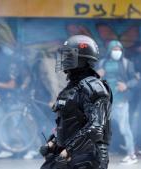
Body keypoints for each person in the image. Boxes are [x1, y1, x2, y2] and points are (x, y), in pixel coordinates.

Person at [40, 35, 112, 169]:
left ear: (81, 58)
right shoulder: (72, 87)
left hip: (87, 156)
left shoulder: (94, 87)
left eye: (69, 55)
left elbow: (96, 127)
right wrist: (53, 142)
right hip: (68, 153)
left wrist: (69, 150)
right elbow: (68, 123)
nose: (64, 59)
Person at [97, 40, 138, 164]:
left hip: (121, 100)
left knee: (124, 128)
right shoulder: (102, 63)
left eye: (119, 49)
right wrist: (97, 75)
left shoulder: (127, 63)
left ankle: (131, 155)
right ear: (110, 50)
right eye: (114, 49)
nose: (117, 52)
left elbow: (135, 80)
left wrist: (126, 85)